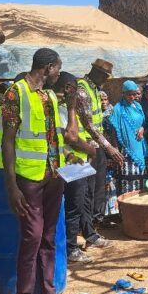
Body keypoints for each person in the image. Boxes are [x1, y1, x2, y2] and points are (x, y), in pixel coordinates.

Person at [0, 48, 76, 294]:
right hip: (29, 180)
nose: (58, 74)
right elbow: (7, 141)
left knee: (49, 237)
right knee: (31, 238)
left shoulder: (49, 96)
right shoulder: (15, 93)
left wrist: (69, 160)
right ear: (49, 67)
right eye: (58, 69)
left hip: (54, 175)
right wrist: (11, 187)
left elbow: (53, 137)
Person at [54, 72, 109, 264]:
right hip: (70, 163)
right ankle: (71, 248)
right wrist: (91, 150)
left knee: (86, 199)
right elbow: (71, 137)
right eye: (76, 89)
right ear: (68, 89)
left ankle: (90, 235)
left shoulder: (70, 106)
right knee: (74, 205)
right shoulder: (60, 108)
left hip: (81, 160)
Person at [75, 60, 125, 228]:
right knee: (88, 190)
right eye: (105, 76)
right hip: (86, 148)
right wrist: (109, 147)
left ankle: (97, 221)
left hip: (97, 147)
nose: (106, 80)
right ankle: (86, 227)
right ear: (97, 73)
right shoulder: (82, 90)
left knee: (99, 188)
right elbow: (88, 124)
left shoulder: (95, 89)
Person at [110, 80, 148, 195]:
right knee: (128, 179)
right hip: (126, 149)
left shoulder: (138, 106)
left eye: (135, 94)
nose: (132, 97)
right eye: (129, 94)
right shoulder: (118, 109)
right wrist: (116, 148)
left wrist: (142, 128)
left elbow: (143, 122)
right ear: (123, 93)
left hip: (140, 147)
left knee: (141, 177)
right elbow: (114, 130)